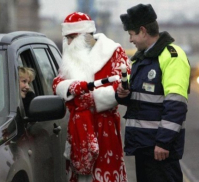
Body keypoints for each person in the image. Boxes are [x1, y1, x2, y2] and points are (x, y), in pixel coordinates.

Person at [52, 12, 130, 182]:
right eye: (67, 38)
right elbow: (57, 83)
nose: (68, 42)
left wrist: (93, 98)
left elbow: (123, 83)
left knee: (105, 173)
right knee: (80, 175)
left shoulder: (113, 51)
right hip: (78, 128)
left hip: (105, 126)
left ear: (84, 36)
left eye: (72, 37)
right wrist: (71, 87)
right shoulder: (71, 56)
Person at [116, 4, 190, 182]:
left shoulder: (172, 56)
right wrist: (122, 95)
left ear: (142, 31)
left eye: (131, 34)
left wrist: (163, 142)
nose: (131, 40)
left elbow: (176, 103)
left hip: (159, 149)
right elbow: (141, 99)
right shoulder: (142, 58)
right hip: (144, 146)